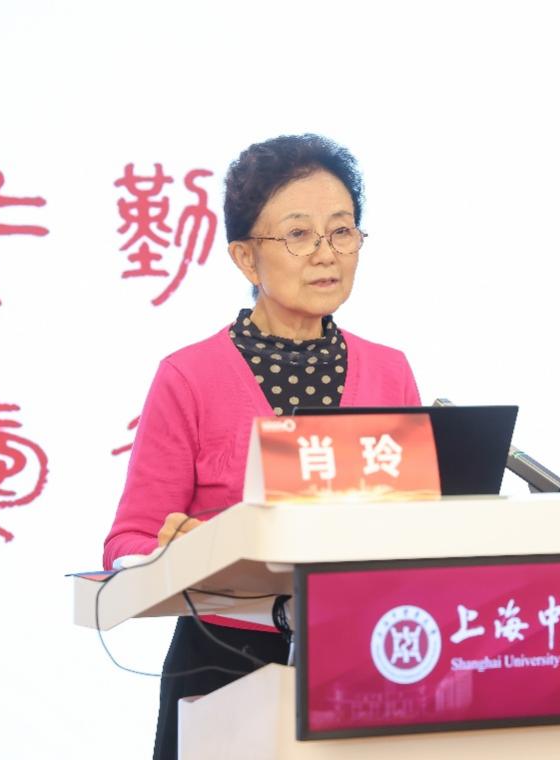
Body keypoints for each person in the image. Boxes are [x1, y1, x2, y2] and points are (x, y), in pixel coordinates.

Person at [101, 134, 421, 759]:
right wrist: (179, 550)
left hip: (370, 656)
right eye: (299, 235)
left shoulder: (390, 371)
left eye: (342, 231)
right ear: (246, 259)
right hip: (225, 662)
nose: (326, 254)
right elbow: (127, 542)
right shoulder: (189, 376)